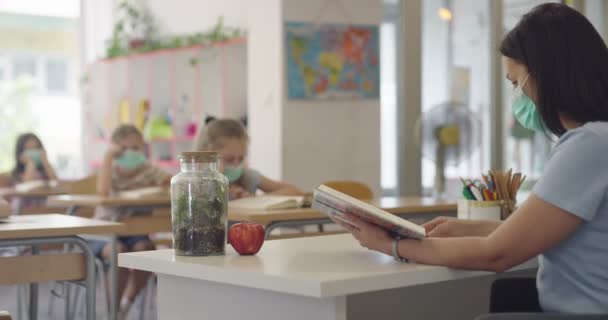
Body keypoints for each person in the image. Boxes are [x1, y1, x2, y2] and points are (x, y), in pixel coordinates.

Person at [334, 3, 608, 314]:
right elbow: (544, 231)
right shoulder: (599, 140)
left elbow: (496, 255)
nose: (517, 96)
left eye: (516, 83)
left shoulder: (588, 146)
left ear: (546, 75)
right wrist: (464, 228)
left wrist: (389, 245)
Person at [93, 124, 171, 319]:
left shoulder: (147, 169)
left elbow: (170, 181)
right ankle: (112, 313)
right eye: (125, 149)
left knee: (146, 251)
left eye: (137, 148)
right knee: (117, 251)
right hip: (105, 232)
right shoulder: (110, 170)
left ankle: (126, 305)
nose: (132, 153)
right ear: (116, 150)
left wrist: (163, 187)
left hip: (136, 231)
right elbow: (102, 192)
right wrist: (108, 157)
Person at [194, 117, 303, 199]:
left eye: (241, 158)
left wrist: (254, 199)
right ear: (205, 158)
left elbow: (295, 191)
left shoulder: (248, 177)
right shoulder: (190, 182)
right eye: (229, 159)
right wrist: (216, 182)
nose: (236, 164)